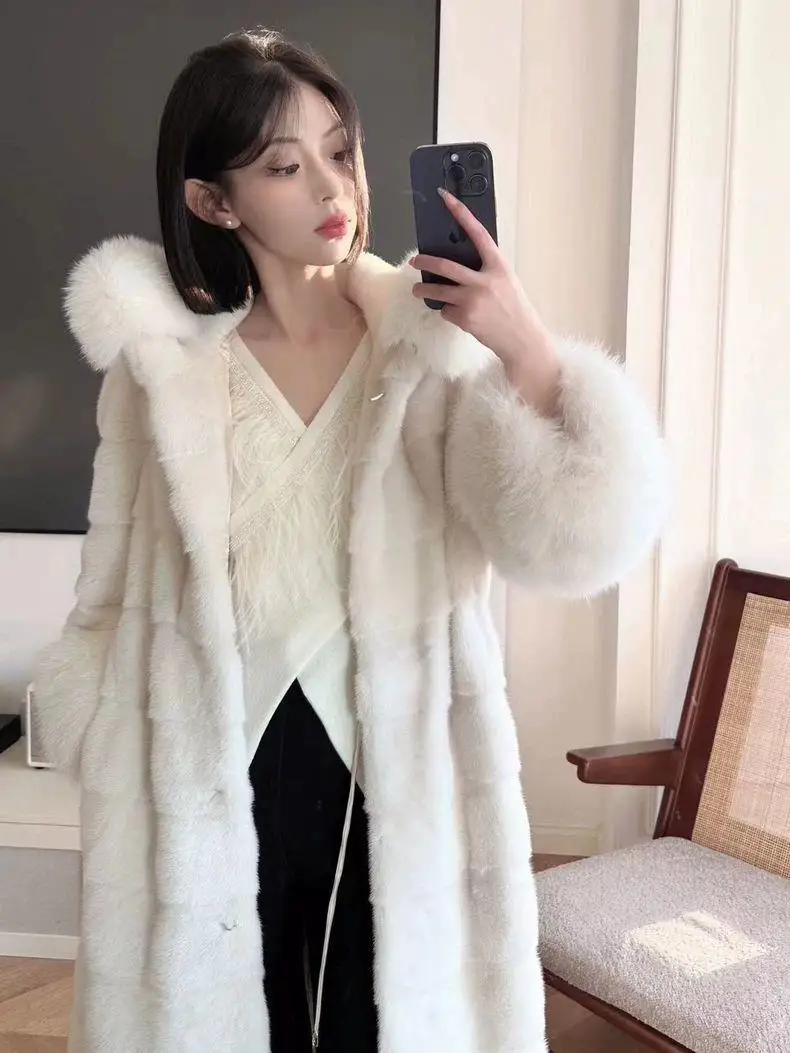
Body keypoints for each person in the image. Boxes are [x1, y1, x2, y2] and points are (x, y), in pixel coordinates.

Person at [33, 26, 667, 1053]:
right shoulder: (162, 371)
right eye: (284, 167)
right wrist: (101, 727)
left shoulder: (433, 351)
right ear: (215, 203)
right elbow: (109, 591)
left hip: (393, 765)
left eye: (341, 149)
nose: (335, 187)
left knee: (382, 1024)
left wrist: (527, 350)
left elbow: (570, 547)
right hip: (212, 767)